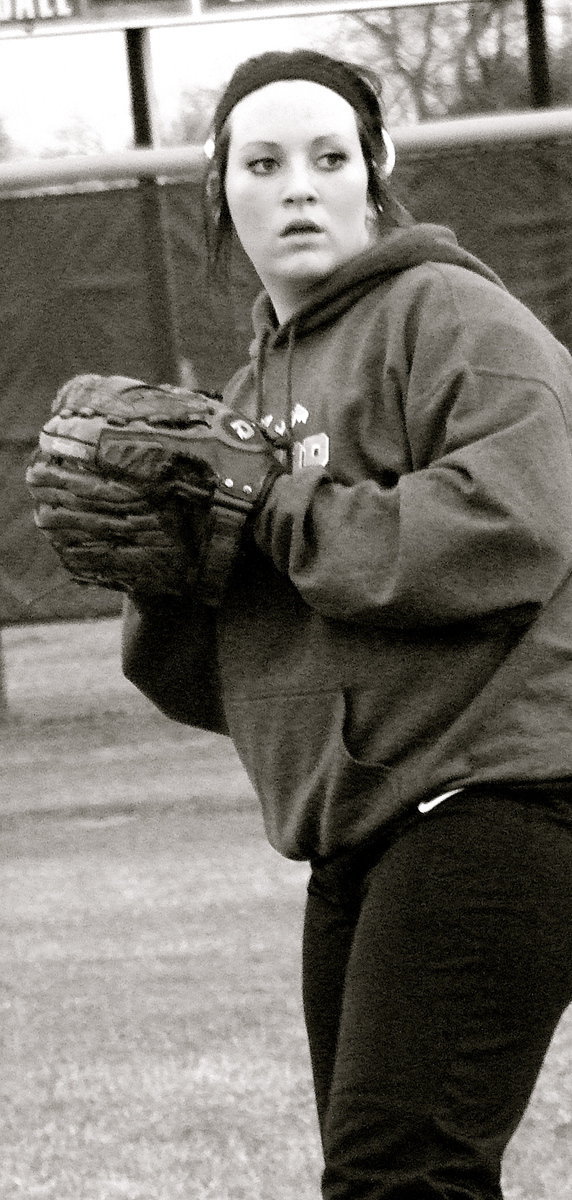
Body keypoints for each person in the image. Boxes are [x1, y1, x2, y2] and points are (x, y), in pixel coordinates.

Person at [122, 49, 572, 1200]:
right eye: (262, 163)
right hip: (361, 826)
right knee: (386, 1175)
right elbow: (227, 673)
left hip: (501, 796)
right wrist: (161, 574)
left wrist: (275, 508)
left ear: (375, 176)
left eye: (328, 157)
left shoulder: (454, 318)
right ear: (218, 192)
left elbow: (511, 528)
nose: (297, 186)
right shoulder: (239, 403)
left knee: (399, 1172)